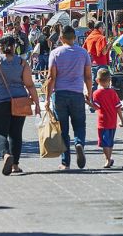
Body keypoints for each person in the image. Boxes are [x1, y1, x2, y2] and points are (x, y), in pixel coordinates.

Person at [0, 34, 40, 175]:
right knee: (16, 134)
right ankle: (15, 165)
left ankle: (6, 154)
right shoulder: (22, 63)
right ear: (15, 47)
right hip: (20, 100)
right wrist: (37, 104)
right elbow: (30, 85)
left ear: (0, 47)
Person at [46, 25, 92, 170]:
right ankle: (79, 143)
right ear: (75, 38)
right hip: (77, 93)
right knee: (79, 124)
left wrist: (47, 98)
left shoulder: (55, 53)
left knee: (63, 129)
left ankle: (65, 162)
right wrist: (89, 93)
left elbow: (50, 77)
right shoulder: (83, 53)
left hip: (59, 94)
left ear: (61, 38)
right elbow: (88, 76)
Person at [91, 68, 123, 168]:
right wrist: (121, 120)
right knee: (109, 141)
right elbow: (118, 107)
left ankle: (108, 159)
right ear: (109, 80)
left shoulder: (96, 93)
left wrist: (87, 102)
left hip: (102, 122)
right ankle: (109, 157)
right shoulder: (113, 93)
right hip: (112, 122)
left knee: (104, 142)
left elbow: (96, 107)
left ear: (97, 80)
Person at [82, 22, 109, 91]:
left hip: (92, 63)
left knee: (94, 84)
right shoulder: (102, 38)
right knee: (105, 84)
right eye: (104, 28)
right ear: (100, 28)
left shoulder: (89, 37)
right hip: (101, 63)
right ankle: (103, 100)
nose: (104, 30)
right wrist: (109, 45)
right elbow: (104, 52)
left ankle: (92, 99)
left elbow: (84, 50)